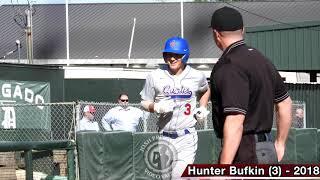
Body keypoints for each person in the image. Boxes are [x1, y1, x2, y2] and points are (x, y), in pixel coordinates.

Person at [209, 6, 292, 164]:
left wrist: (223, 168)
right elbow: (285, 103)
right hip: (267, 148)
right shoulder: (262, 59)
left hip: (243, 151)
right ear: (243, 30)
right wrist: (280, 143)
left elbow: (235, 120)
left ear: (216, 34)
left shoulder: (229, 65)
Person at [140, 36, 210, 179]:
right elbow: (144, 102)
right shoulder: (155, 76)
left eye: (176, 55)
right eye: (168, 54)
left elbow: (206, 90)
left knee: (179, 176)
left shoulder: (197, 75)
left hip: (187, 136)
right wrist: (156, 107)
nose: (172, 58)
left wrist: (202, 107)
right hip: (164, 137)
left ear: (185, 55)